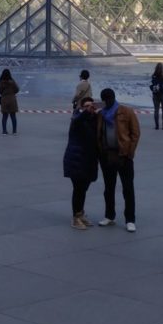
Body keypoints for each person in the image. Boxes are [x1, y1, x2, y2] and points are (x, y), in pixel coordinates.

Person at [95, 88, 141, 232]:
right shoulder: (101, 114)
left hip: (124, 155)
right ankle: (109, 216)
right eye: (104, 100)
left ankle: (130, 219)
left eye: (107, 100)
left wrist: (130, 152)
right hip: (107, 155)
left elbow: (135, 133)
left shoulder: (126, 112)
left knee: (127, 188)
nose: (105, 103)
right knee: (109, 188)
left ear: (113, 98)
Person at [64, 97, 99, 229]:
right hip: (76, 159)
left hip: (89, 159)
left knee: (83, 189)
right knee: (78, 189)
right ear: (81, 107)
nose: (89, 108)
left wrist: (96, 114)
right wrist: (85, 112)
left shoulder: (92, 119)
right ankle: (75, 217)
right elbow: (78, 120)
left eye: (91, 106)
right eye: (86, 106)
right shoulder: (76, 118)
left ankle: (81, 213)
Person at [0, 68, 19, 135]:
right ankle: (14, 131)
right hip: (12, 99)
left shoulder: (1, 82)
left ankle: (4, 131)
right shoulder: (12, 81)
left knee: (4, 116)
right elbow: (17, 89)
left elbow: (0, 91)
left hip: (4, 99)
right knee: (13, 116)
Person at [150, 63, 163, 130]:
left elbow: (153, 83)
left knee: (156, 110)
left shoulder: (153, 76)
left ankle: (157, 126)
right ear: (162, 69)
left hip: (156, 94)